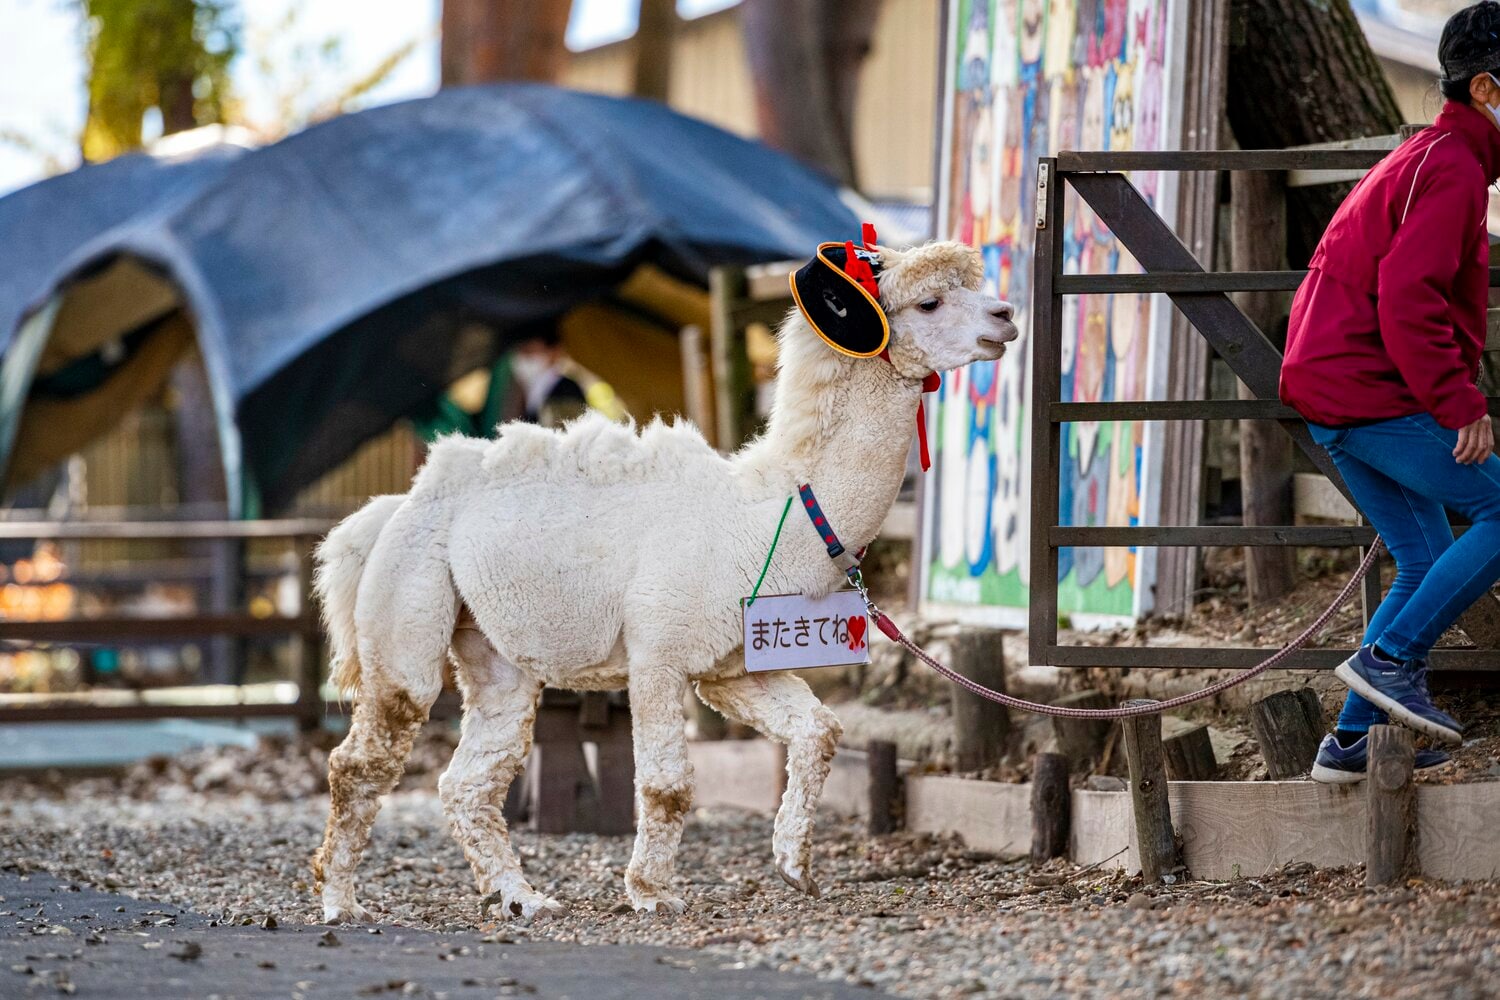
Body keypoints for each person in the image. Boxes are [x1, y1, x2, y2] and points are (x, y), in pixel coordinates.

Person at [1280, 2, 1500, 783]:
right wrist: (1460, 405)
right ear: (1485, 89)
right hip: (1364, 388)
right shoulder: (1454, 168)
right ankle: (1393, 659)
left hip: (1335, 383)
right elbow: (1408, 298)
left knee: (1424, 555)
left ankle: (1350, 742)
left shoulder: (1434, 155)